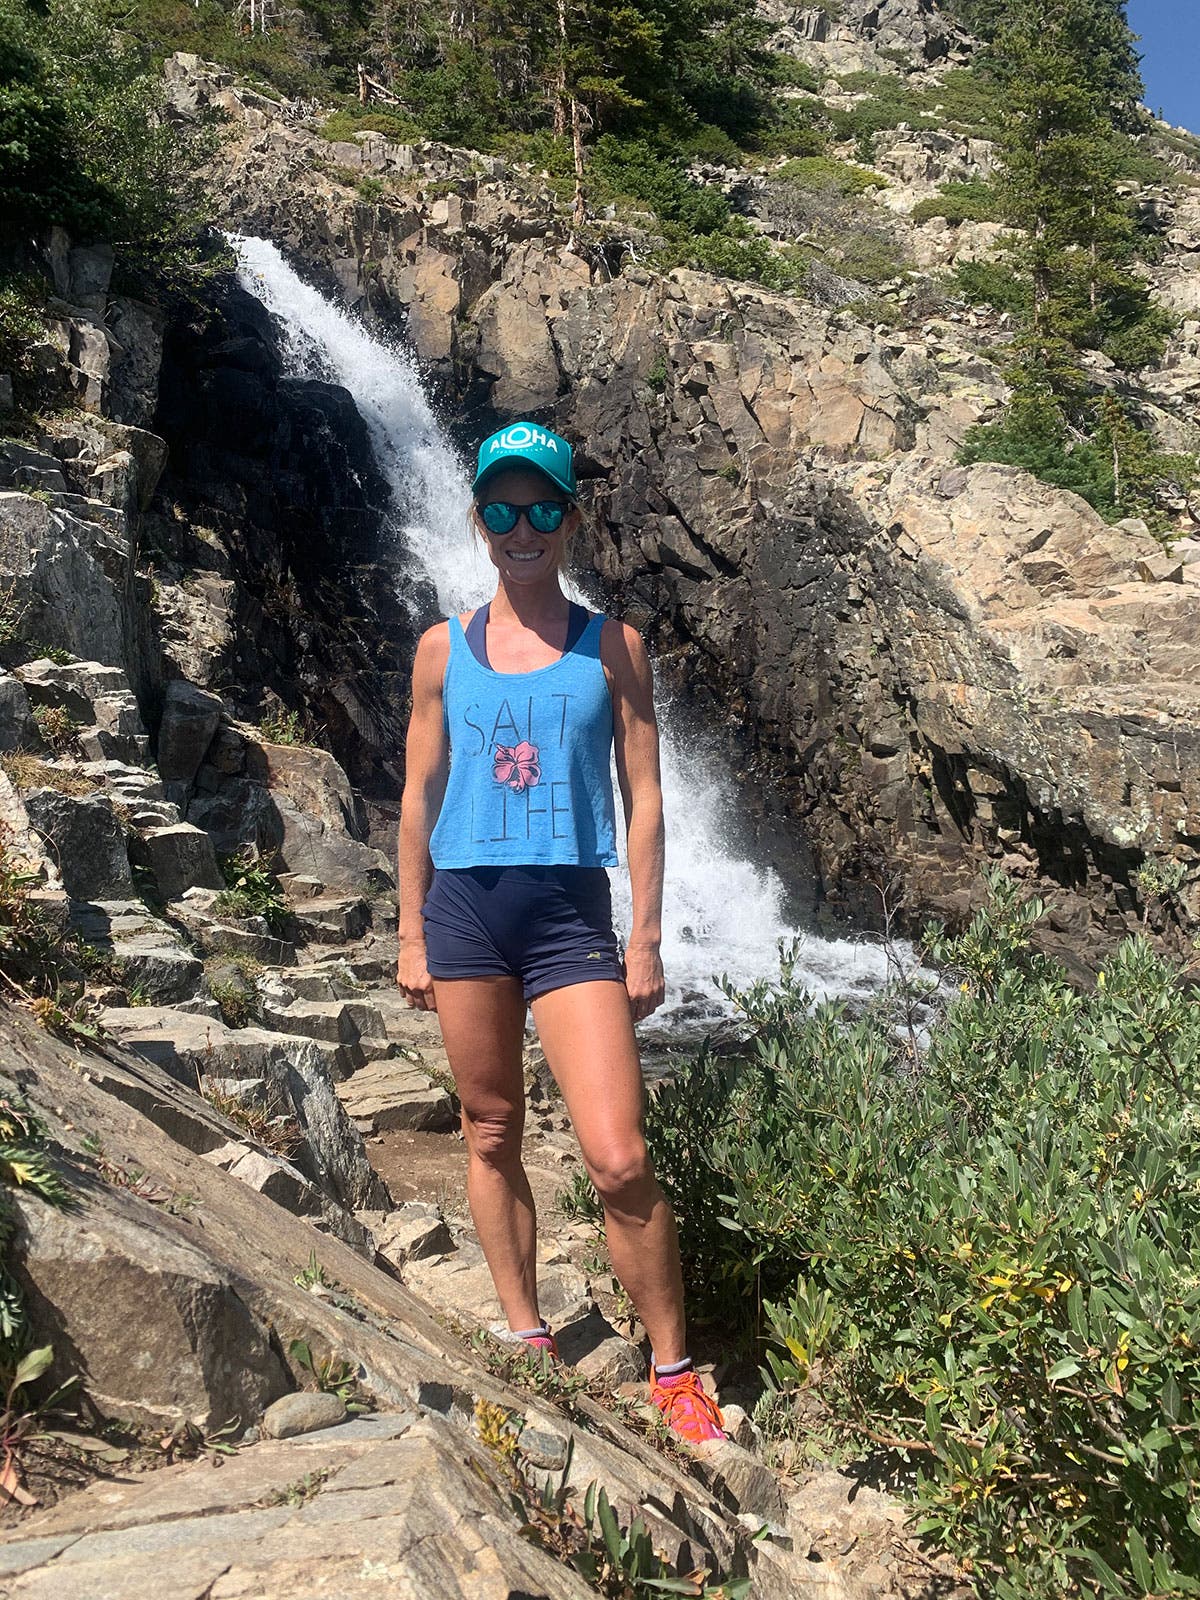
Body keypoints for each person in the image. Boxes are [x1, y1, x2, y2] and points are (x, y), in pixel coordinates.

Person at [396, 421, 725, 1445]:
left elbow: (647, 796)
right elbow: (416, 796)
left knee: (618, 1155)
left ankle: (673, 1367)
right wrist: (408, 931)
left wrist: (647, 936)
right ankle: (527, 1331)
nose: (522, 526)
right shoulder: (441, 648)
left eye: (543, 507)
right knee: (490, 1127)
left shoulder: (615, 647)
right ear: (480, 521)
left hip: (570, 917)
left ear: (571, 519)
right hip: (464, 909)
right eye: (502, 507)